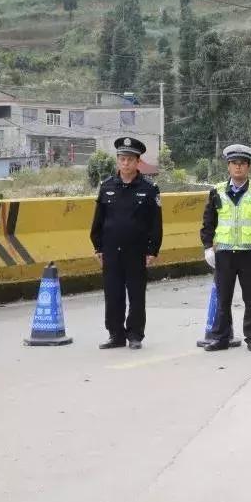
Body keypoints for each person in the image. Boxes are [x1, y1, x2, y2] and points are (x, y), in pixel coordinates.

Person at [200, 144, 251, 352]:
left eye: (242, 164)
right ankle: (221, 337)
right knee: (223, 298)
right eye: (234, 163)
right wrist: (207, 247)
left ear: (248, 167)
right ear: (228, 167)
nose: (238, 168)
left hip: (250, 253)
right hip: (224, 253)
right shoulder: (216, 192)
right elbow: (208, 222)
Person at [90, 137, 162, 350]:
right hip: (111, 250)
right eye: (122, 159)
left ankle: (135, 335)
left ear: (138, 162)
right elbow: (98, 220)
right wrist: (98, 246)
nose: (125, 163)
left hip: (137, 251)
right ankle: (115, 334)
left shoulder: (149, 189)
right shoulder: (107, 186)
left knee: (136, 294)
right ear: (118, 161)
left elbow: (155, 223)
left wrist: (153, 249)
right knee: (113, 294)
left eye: (130, 159)